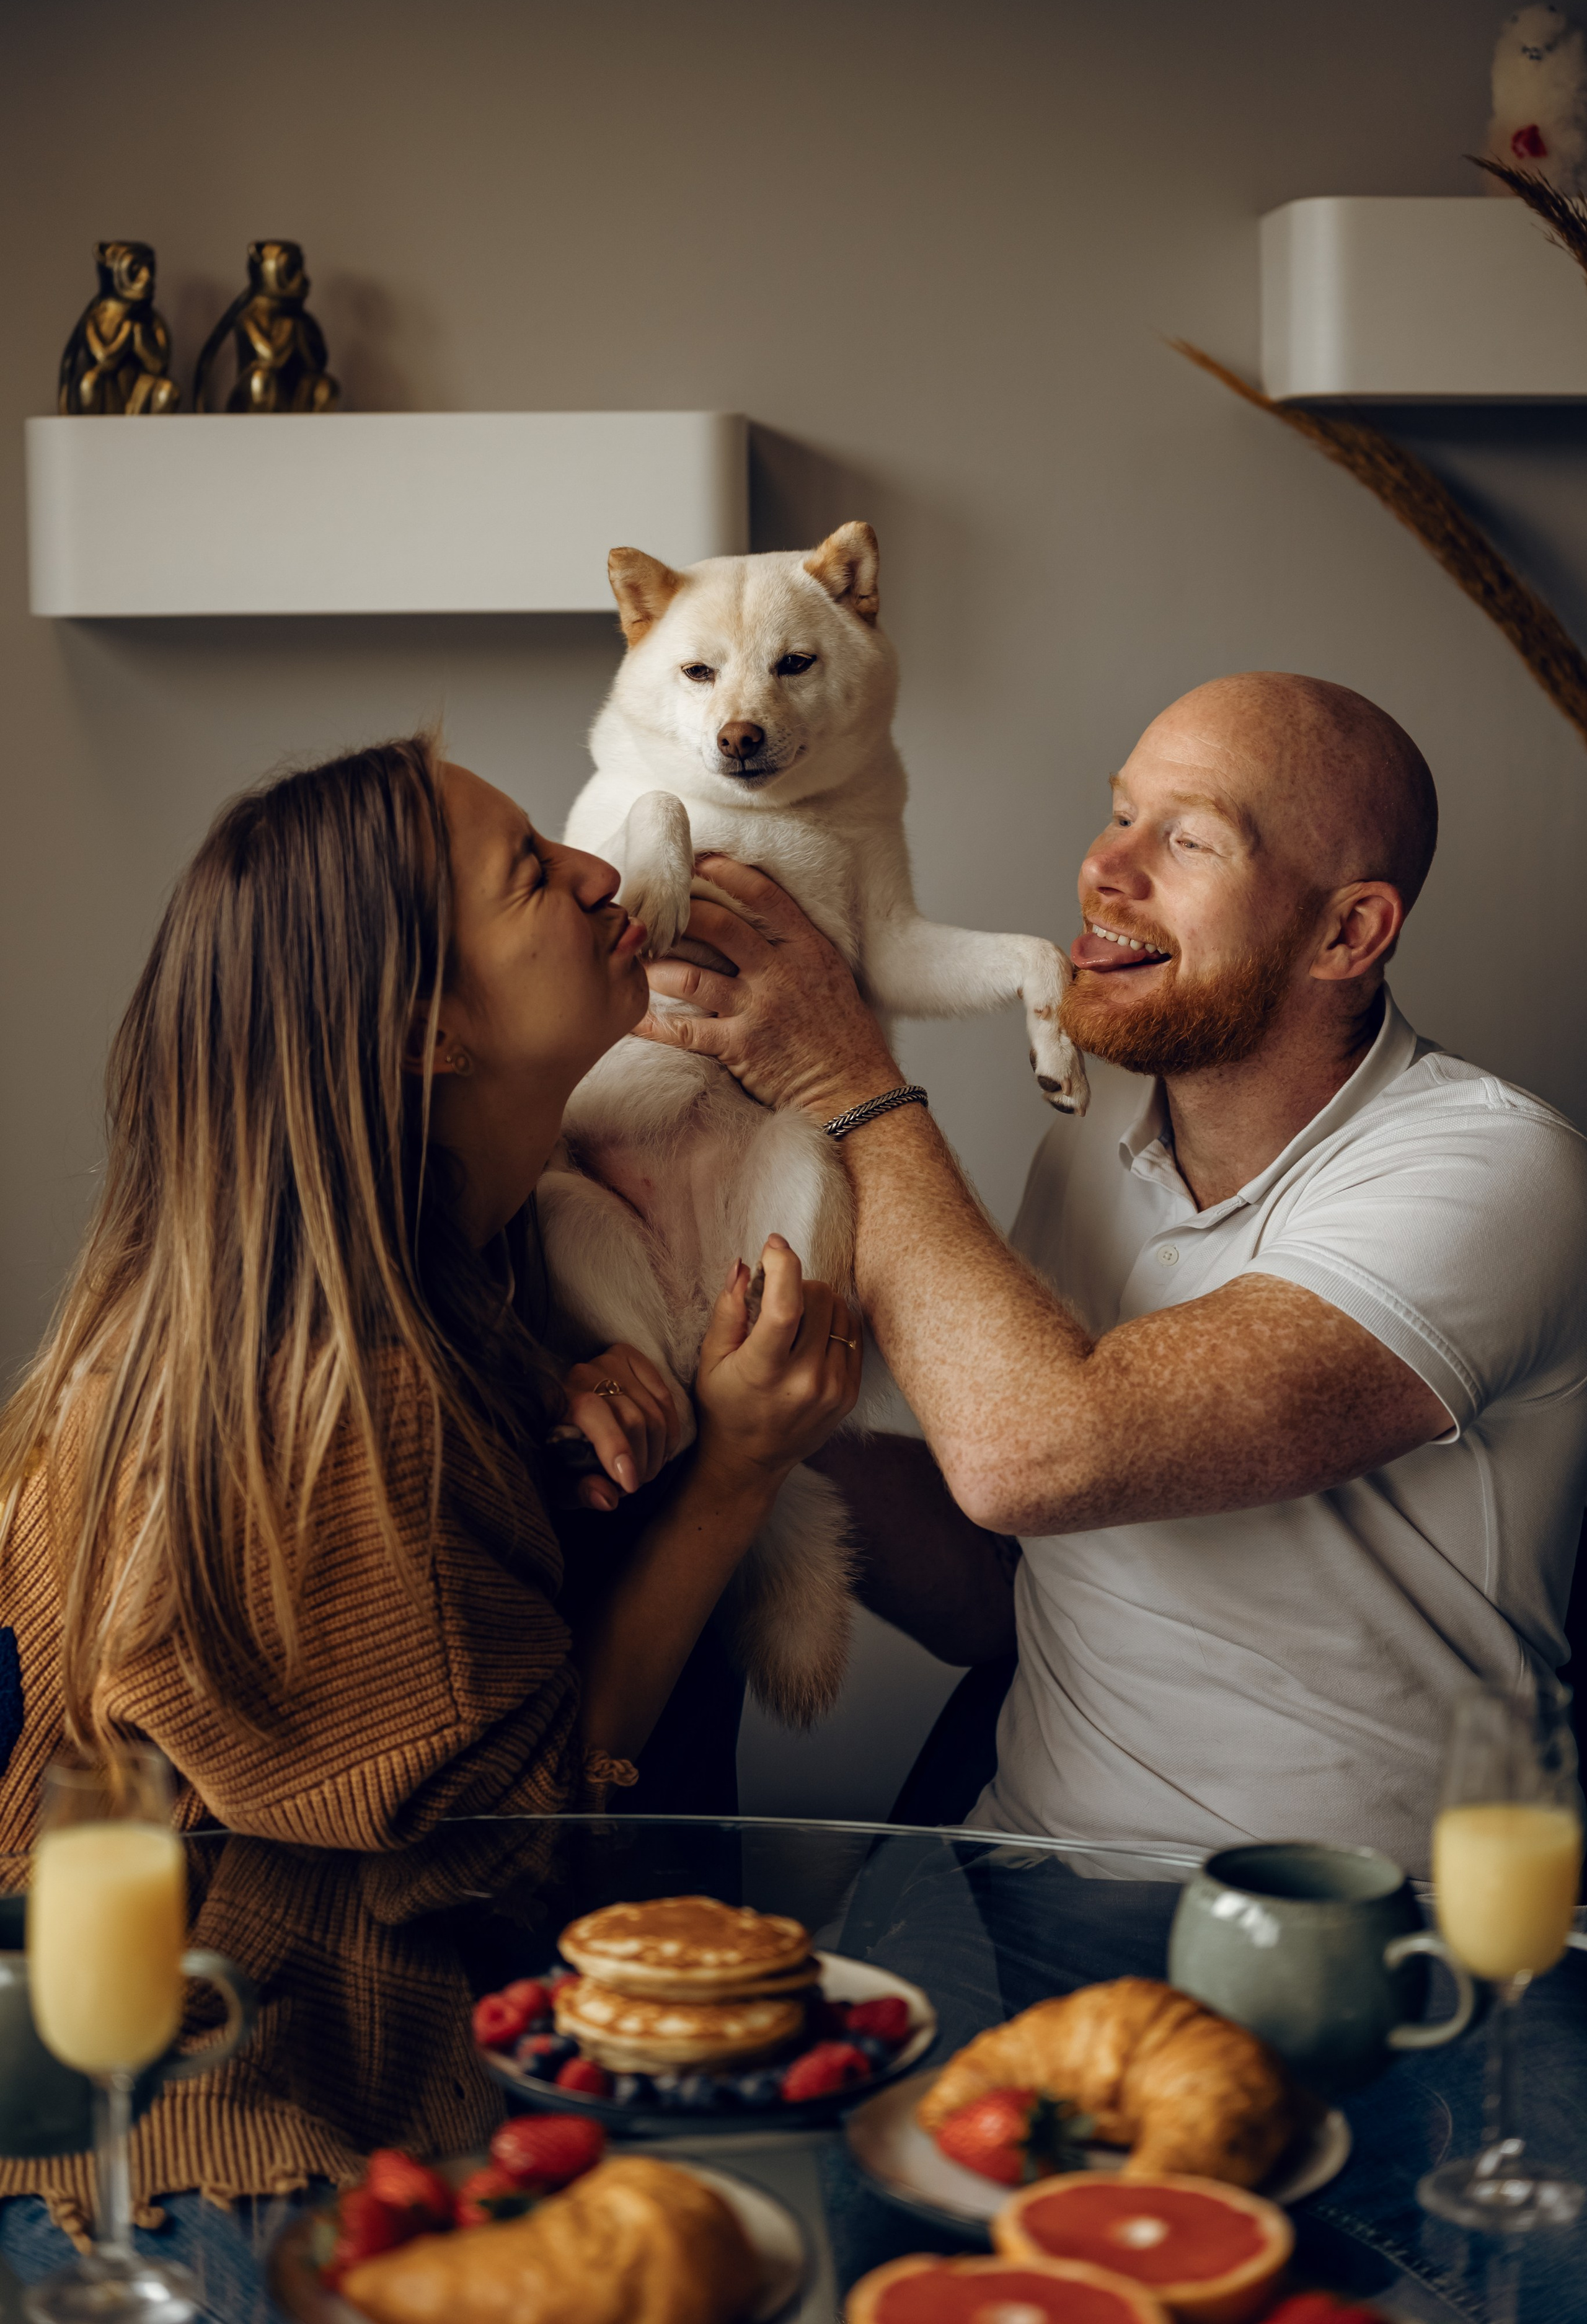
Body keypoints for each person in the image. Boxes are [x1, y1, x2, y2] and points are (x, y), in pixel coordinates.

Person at [636, 673, 1587, 1867]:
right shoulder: (1095, 1143)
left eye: (1187, 840)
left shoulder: (1497, 1171)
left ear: (1348, 934)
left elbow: (1038, 1456)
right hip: (1021, 1871)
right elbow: (990, 1594)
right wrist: (763, 1406)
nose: (1106, 869)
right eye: (1120, 813)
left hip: (1362, 1929)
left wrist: (845, 1081)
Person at [0, 734, 862, 1862]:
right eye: (534, 875)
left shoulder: (483, 1264)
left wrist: (548, 1399)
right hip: (285, 2026)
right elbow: (526, 1823)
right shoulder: (345, 1396)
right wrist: (733, 1475)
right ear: (426, 1033)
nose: (600, 873)